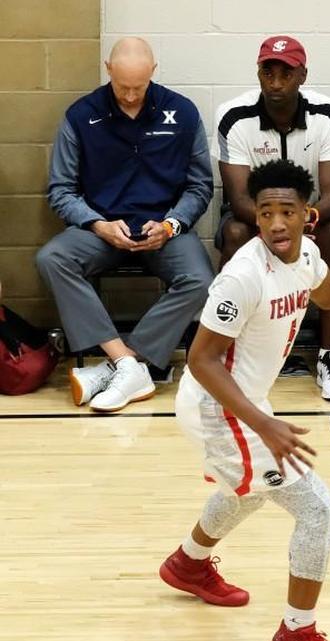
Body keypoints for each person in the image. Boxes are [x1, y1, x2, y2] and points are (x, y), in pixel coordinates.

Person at [159, 160, 330, 641]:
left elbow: (329, 295)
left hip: (243, 402)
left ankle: (189, 564)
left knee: (247, 487)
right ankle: (298, 631)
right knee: (318, 510)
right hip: (217, 406)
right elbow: (201, 360)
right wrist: (263, 425)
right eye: (266, 213)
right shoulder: (242, 276)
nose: (276, 223)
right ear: (257, 216)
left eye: (287, 211)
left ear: (307, 214)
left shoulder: (306, 253)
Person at [36, 36, 213, 413]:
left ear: (153, 73)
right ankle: (127, 361)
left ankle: (126, 363)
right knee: (52, 258)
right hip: (101, 229)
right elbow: (61, 190)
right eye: (122, 87)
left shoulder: (182, 113)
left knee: (201, 279)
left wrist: (172, 224)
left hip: (163, 231)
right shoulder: (80, 115)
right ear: (108, 71)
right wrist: (96, 224)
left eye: (139, 87)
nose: (131, 96)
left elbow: (199, 186)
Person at [215, 35, 330, 401]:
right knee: (233, 231)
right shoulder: (234, 117)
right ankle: (236, 352)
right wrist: (275, 226)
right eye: (268, 72)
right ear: (259, 73)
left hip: (310, 218)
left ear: (303, 76)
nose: (276, 82)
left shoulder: (328, 114)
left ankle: (329, 356)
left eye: (286, 74)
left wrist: (297, 222)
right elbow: (238, 197)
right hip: (255, 219)